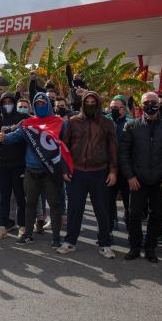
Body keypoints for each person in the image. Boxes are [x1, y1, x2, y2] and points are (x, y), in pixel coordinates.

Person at [0, 92, 71, 247]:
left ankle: (56, 237)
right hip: (31, 171)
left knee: (54, 204)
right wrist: (3, 138)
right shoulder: (29, 123)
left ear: (49, 105)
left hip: (51, 171)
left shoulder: (59, 123)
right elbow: (15, 136)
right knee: (29, 204)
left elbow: (65, 146)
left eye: (43, 103)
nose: (40, 106)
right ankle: (27, 234)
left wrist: (66, 168)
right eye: (37, 104)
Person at [120, 91, 162, 263]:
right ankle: (134, 247)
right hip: (137, 180)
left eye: (153, 102)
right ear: (141, 105)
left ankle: (150, 248)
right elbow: (124, 154)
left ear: (159, 104)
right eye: (146, 102)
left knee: (157, 216)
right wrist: (130, 176)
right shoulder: (131, 126)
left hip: (160, 181)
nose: (150, 105)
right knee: (134, 215)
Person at [58, 92, 118, 258]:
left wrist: (113, 171)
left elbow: (113, 148)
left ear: (98, 104)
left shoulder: (107, 123)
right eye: (88, 102)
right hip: (77, 173)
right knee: (74, 210)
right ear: (83, 104)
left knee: (102, 210)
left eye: (94, 102)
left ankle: (105, 243)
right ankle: (70, 241)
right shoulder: (73, 122)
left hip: (100, 172)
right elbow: (64, 147)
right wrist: (65, 169)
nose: (91, 104)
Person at [0, 92, 28, 240]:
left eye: (10, 101)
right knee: (3, 198)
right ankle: (3, 227)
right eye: (5, 102)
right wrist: (12, 129)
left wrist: (5, 133)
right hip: (2, 164)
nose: (8, 104)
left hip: (19, 164)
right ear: (1, 104)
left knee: (20, 197)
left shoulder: (23, 117)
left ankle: (23, 227)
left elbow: (33, 127)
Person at [106, 95, 131, 232]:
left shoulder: (132, 123)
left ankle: (131, 230)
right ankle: (109, 229)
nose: (114, 110)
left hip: (126, 170)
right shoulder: (105, 121)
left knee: (129, 203)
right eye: (112, 107)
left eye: (116, 107)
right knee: (108, 202)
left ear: (124, 108)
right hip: (108, 169)